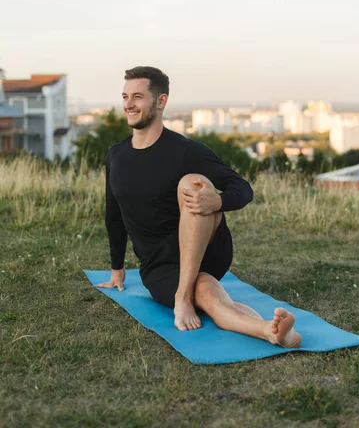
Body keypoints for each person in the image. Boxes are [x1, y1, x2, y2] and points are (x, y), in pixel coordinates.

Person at [95, 66, 301, 348]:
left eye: (138, 97)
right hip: (161, 265)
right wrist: (117, 269)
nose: (129, 104)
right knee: (208, 293)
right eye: (125, 96)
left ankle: (182, 297)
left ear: (161, 101)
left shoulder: (185, 150)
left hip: (206, 250)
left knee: (194, 183)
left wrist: (219, 200)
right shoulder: (116, 155)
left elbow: (242, 189)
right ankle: (271, 330)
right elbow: (113, 215)